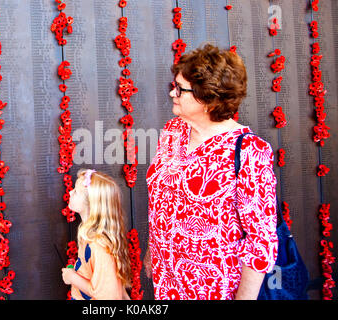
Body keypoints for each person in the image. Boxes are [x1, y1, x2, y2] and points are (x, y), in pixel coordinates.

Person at [144, 43, 279, 300]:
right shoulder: (174, 131)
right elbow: (162, 198)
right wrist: (153, 249)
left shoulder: (249, 151)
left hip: (216, 288)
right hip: (168, 281)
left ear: (207, 98)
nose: (173, 93)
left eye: (180, 89)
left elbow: (261, 241)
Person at [61, 169, 131, 300]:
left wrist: (72, 277)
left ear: (91, 204)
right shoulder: (87, 235)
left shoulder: (98, 245)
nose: (70, 192)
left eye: (75, 191)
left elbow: (106, 294)